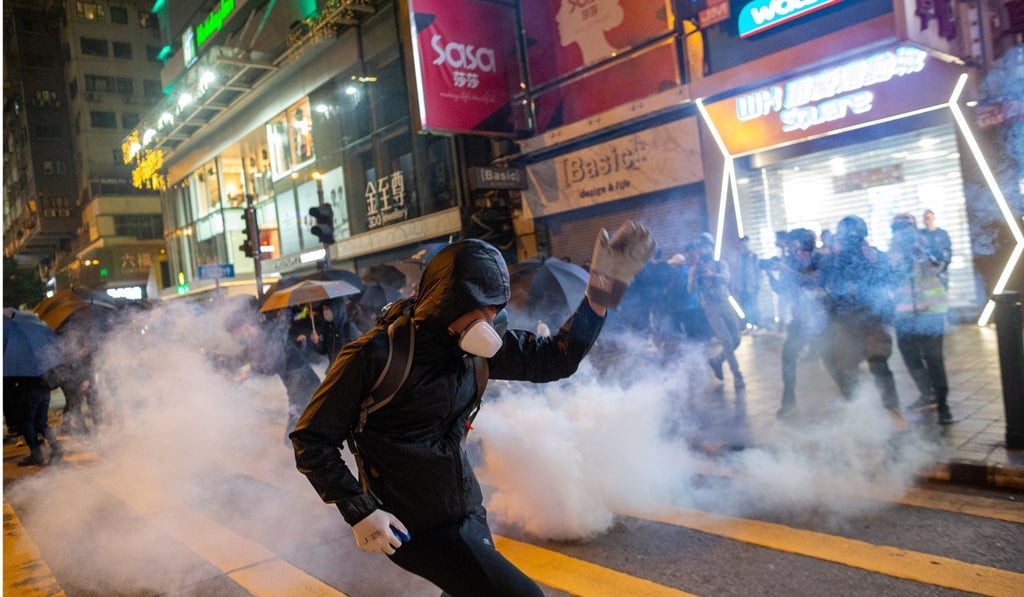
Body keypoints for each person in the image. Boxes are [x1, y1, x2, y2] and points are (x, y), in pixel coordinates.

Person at [290, 222, 655, 596]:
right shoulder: (374, 355)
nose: (488, 320)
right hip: (413, 524)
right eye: (478, 309)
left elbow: (555, 360)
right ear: (445, 301)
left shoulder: (478, 349)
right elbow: (311, 439)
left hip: (467, 509)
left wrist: (599, 295)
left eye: (495, 309)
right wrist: (360, 510)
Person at [818, 215, 904, 425]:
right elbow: (826, 283)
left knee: (878, 362)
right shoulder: (834, 259)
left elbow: (893, 281)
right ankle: (856, 409)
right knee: (845, 367)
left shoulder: (874, 256)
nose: (850, 243)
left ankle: (893, 412)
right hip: (846, 321)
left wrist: (876, 264)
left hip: (871, 318)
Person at [215, 303, 322, 445]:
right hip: (295, 392)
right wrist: (217, 360)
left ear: (246, 327)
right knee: (297, 439)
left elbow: (271, 364)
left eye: (235, 333)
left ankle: (318, 461)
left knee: (296, 439)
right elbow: (238, 360)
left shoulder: (270, 335)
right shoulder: (255, 343)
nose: (235, 338)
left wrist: (248, 374)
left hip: (306, 388)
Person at [889, 214, 954, 424]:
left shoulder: (928, 243)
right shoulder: (891, 252)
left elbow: (939, 266)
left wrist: (921, 253)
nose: (902, 233)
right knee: (910, 358)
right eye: (898, 229)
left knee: (934, 359)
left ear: (914, 228)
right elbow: (888, 279)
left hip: (931, 313)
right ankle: (927, 394)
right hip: (904, 315)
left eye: (906, 228)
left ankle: (944, 406)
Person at [765, 228, 826, 418]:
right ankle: (788, 402)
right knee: (788, 357)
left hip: (821, 319)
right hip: (800, 321)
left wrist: (787, 270)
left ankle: (853, 400)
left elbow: (814, 282)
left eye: (794, 243)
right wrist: (770, 274)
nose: (791, 246)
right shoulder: (791, 261)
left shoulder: (820, 259)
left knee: (834, 363)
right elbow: (782, 289)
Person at [686, 236, 745, 390]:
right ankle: (737, 376)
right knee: (726, 341)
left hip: (725, 302)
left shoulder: (720, 264)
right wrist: (693, 276)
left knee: (736, 340)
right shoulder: (695, 268)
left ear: (711, 247)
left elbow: (726, 278)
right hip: (711, 307)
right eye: (701, 248)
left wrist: (713, 275)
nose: (704, 250)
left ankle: (717, 360)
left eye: (707, 247)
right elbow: (690, 290)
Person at [307, 298, 362, 364]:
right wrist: (316, 342)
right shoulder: (328, 327)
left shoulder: (348, 327)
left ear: (336, 309)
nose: (325, 312)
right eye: (324, 309)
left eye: (327, 309)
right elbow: (323, 350)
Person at [735, 236, 762, 330]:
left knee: (754, 306)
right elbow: (737, 273)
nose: (744, 245)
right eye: (742, 243)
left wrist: (758, 285)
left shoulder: (754, 256)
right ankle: (749, 325)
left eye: (746, 243)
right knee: (746, 307)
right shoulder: (739, 257)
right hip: (742, 287)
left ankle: (757, 325)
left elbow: (758, 271)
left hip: (752, 286)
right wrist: (737, 286)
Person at [921, 209, 952, 289]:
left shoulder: (942, 234)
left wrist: (940, 268)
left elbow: (947, 252)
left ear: (933, 218)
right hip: (925, 273)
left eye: (929, 218)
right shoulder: (920, 234)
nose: (927, 221)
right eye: (925, 219)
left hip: (941, 272)